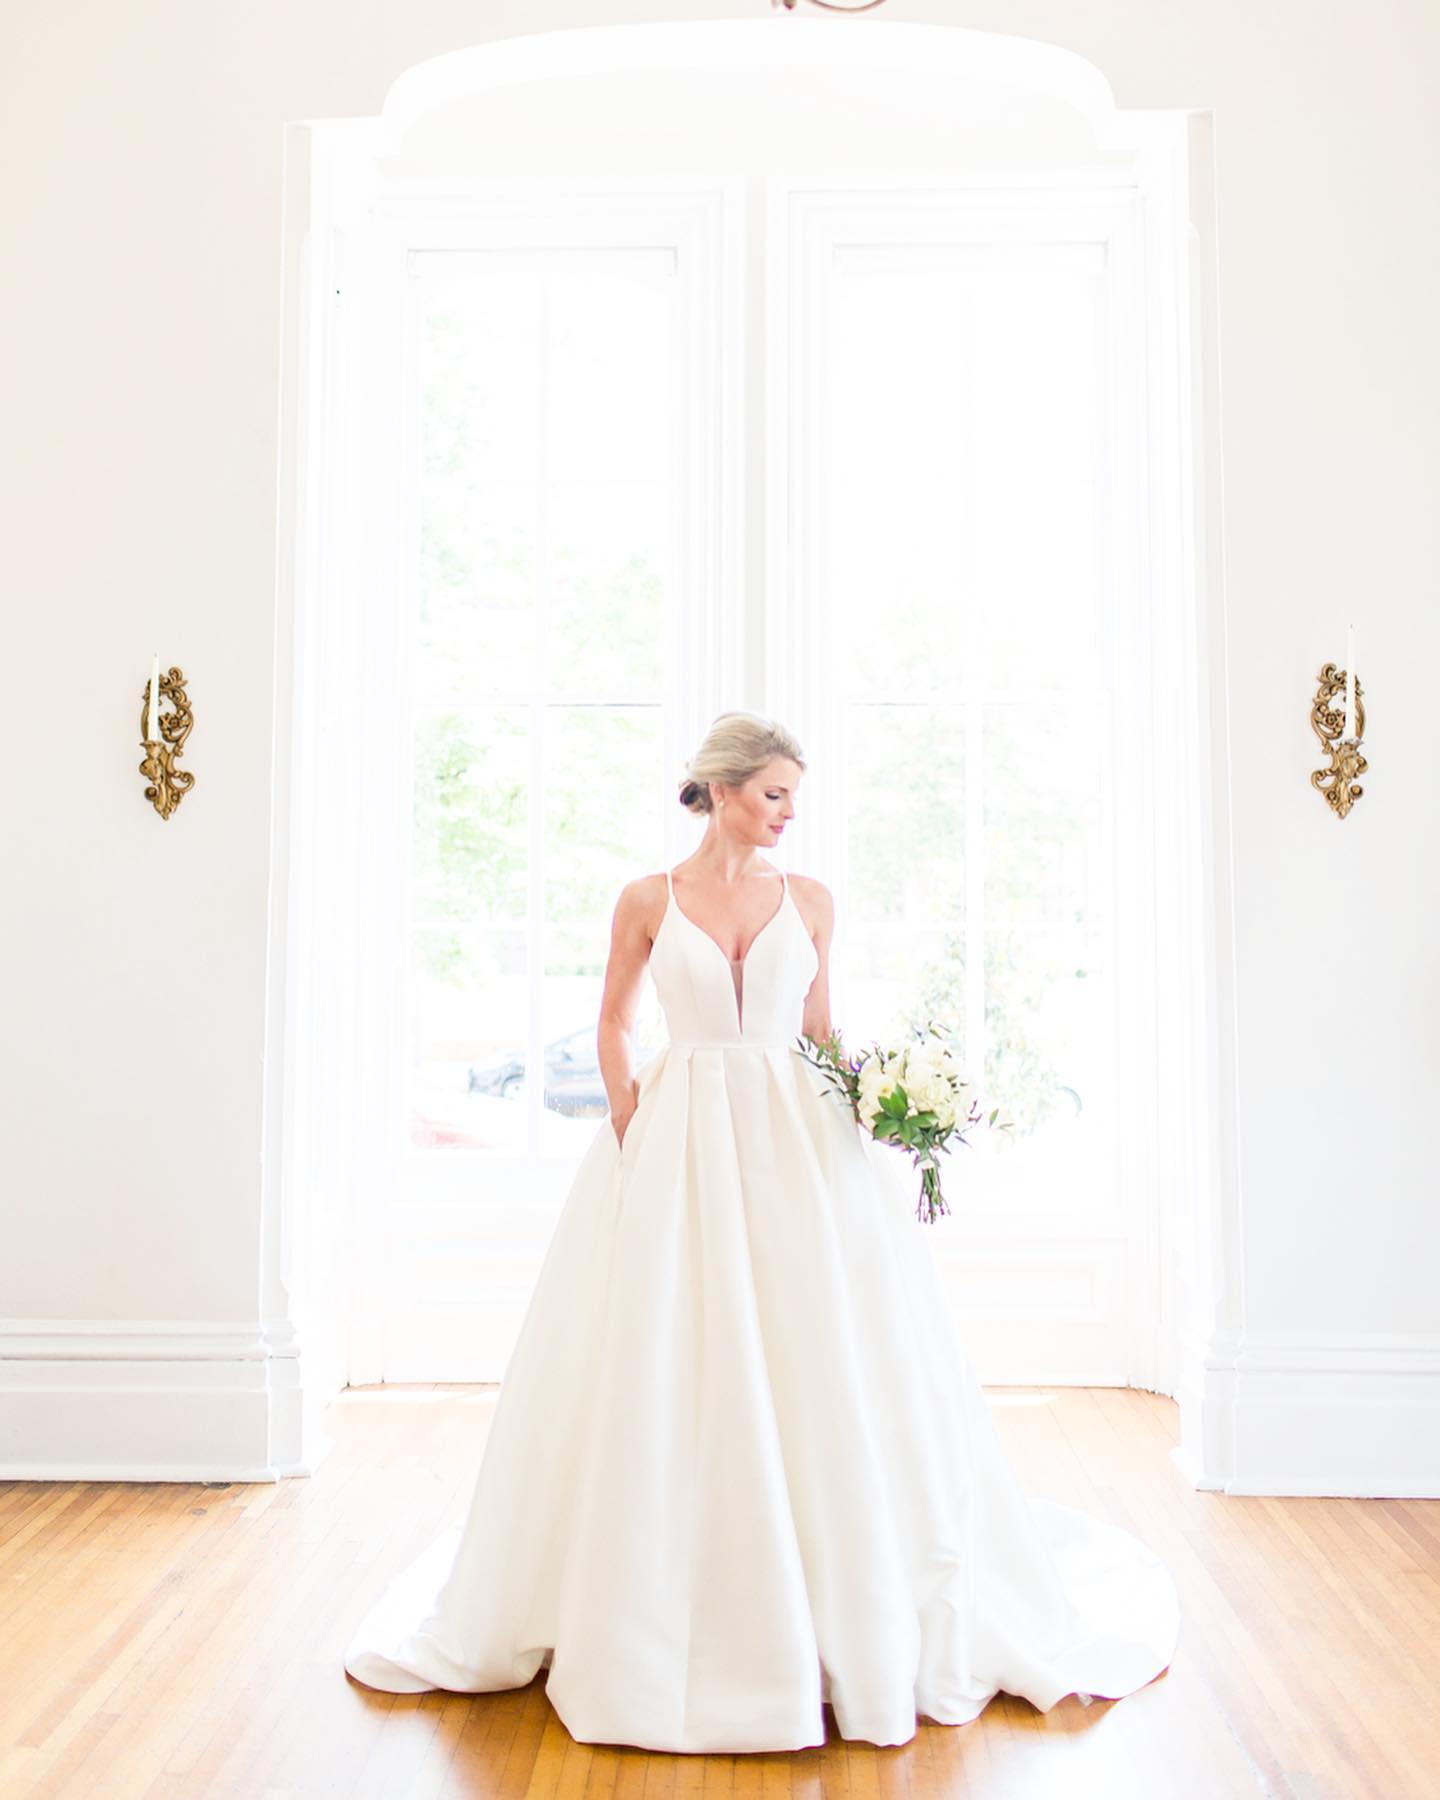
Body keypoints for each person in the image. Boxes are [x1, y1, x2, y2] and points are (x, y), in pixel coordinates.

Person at [343, 710, 1180, 1752]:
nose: (788, 814)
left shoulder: (813, 902)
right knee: (667, 1345)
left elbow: (822, 1034)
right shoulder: (648, 899)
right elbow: (612, 1018)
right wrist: (625, 1112)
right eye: (775, 793)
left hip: (796, 1140)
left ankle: (835, 1593)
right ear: (724, 789)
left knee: (813, 1339)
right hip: (677, 1133)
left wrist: (886, 1109)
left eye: (795, 795)